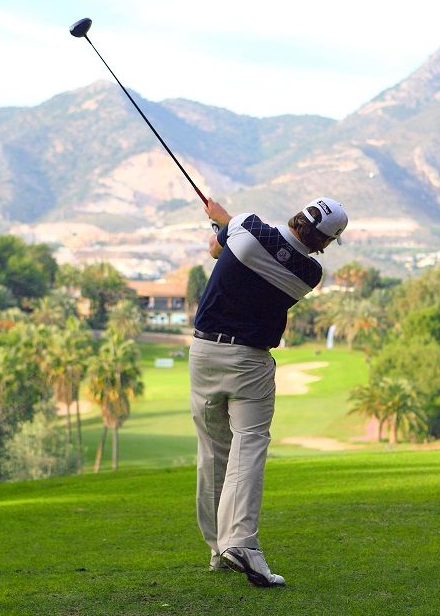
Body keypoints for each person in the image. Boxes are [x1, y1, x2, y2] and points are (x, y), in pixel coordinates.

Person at [189, 196, 348, 588]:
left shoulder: (247, 225)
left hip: (204, 353)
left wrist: (221, 221)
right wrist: (225, 223)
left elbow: (216, 249)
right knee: (249, 445)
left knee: (213, 454)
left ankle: (218, 551)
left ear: (300, 214)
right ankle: (240, 543)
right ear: (325, 242)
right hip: (249, 362)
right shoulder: (309, 273)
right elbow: (265, 252)